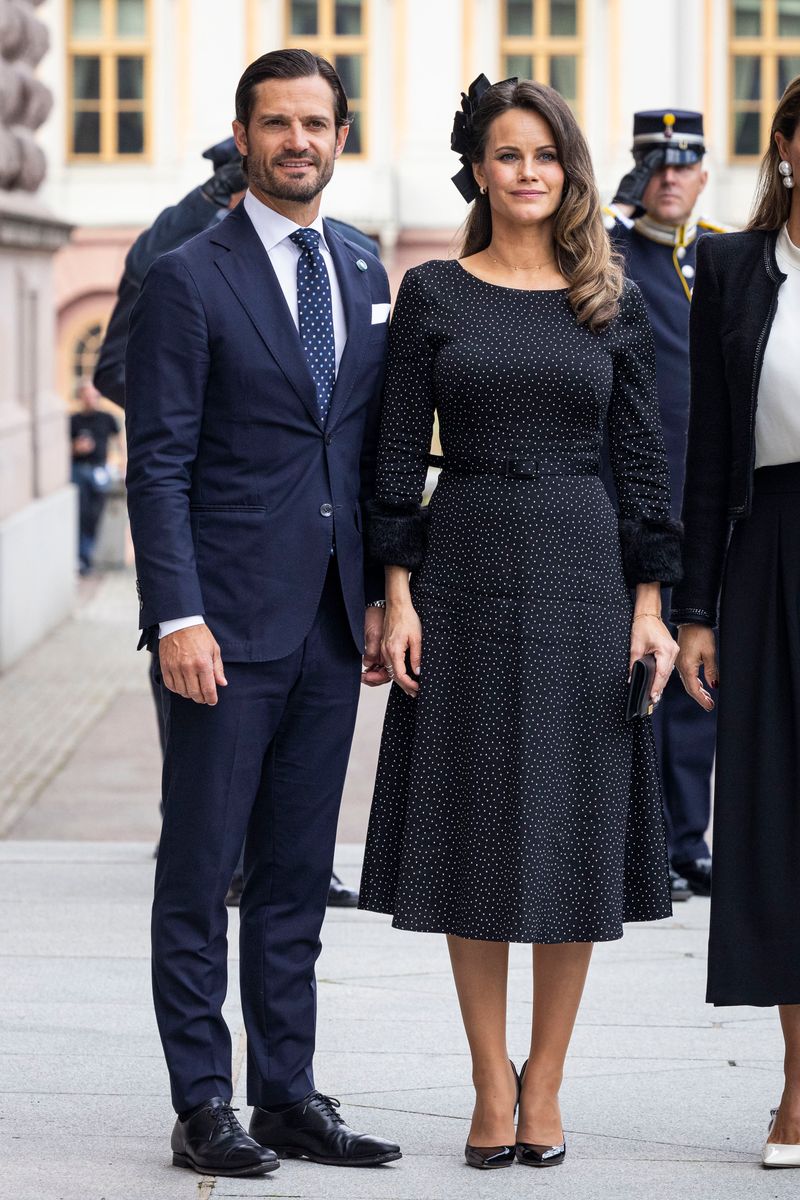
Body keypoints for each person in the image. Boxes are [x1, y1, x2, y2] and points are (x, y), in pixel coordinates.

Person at [358, 74, 681, 1171]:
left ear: (568, 170)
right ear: (479, 171)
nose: (528, 171)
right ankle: (484, 1081)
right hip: (465, 569)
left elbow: (642, 465)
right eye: (506, 153)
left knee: (569, 827)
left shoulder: (610, 296)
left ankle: (543, 1080)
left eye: (544, 154)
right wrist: (396, 596)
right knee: (474, 826)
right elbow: (396, 459)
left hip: (585, 575)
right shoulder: (434, 291)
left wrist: (652, 608)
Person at [125, 49, 401, 1177]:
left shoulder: (360, 262)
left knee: (294, 875)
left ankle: (286, 1092)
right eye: (277, 123)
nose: (299, 141)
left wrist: (388, 594)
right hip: (222, 630)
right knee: (199, 872)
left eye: (317, 122)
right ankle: (203, 1099)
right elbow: (159, 462)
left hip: (332, 627)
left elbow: (371, 448)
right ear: (243, 137)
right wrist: (176, 615)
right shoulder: (189, 276)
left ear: (342, 135)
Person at [95, 135, 372, 908]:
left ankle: (279, 863)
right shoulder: (178, 248)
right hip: (218, 548)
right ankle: (211, 850)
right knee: (204, 781)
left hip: (314, 570)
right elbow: (118, 369)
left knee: (293, 812)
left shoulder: (352, 258)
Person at [673, 76, 800, 1169]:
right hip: (768, 555)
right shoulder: (726, 267)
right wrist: (696, 610)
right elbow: (707, 448)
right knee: (769, 822)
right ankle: (796, 1090)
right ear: (787, 151)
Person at [603, 109, 730, 902]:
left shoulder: (722, 254)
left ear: (703, 175)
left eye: (684, 166)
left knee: (701, 668)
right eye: (657, 165)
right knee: (636, 672)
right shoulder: (610, 255)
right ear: (638, 171)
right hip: (631, 500)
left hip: (708, 500)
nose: (671, 178)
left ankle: (689, 840)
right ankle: (643, 840)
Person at [70, 380, 120, 574]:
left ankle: (87, 555)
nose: (90, 399)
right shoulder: (73, 420)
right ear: (81, 397)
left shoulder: (107, 418)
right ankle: (82, 558)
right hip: (78, 470)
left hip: (99, 471)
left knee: (94, 514)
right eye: (86, 395)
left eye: (93, 395)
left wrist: (122, 465)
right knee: (80, 514)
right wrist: (77, 448)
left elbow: (118, 442)